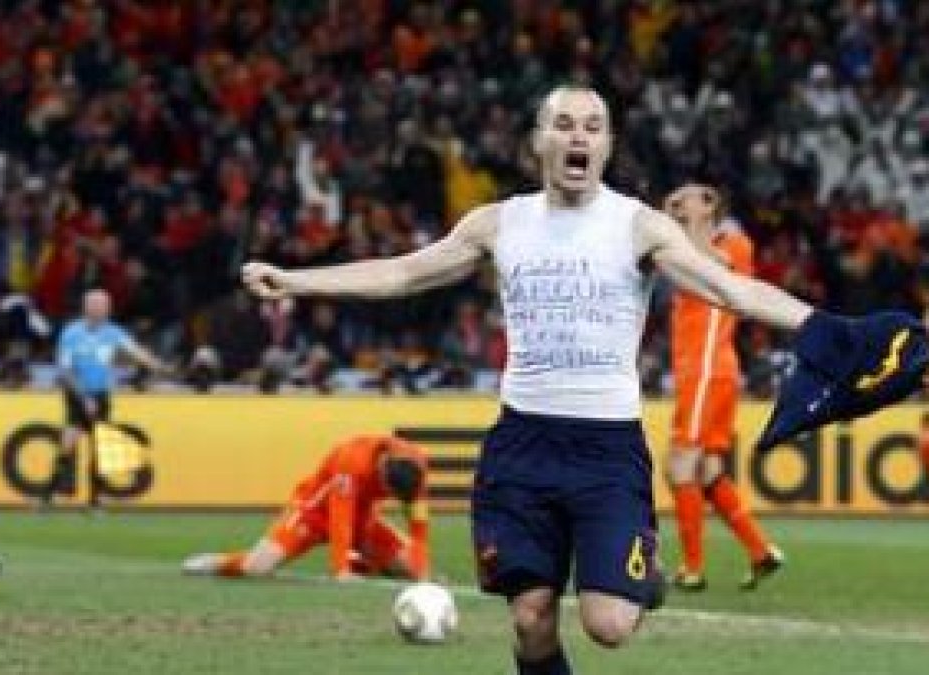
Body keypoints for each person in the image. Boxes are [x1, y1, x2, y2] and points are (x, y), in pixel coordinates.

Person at [241, 85, 817, 675]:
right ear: (539, 141)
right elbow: (403, 273)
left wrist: (822, 325)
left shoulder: (637, 226)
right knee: (530, 617)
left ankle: (642, 578)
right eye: (564, 124)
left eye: (593, 127)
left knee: (609, 625)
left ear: (608, 144)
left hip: (606, 448)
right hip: (524, 444)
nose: (578, 136)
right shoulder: (498, 223)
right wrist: (298, 281)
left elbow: (733, 289)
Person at [663, 184, 783, 592]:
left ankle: (692, 569)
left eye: (687, 198)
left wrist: (687, 224)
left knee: (680, 464)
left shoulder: (734, 243)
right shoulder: (680, 246)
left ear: (711, 205)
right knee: (708, 470)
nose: (677, 203)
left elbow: (711, 266)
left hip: (706, 369)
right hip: (704, 372)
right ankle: (760, 551)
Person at [181, 435, 430, 581]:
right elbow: (339, 517)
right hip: (313, 512)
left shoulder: (416, 468)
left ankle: (364, 564)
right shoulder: (353, 458)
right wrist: (340, 570)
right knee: (257, 568)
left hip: (362, 518)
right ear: (382, 468)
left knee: (410, 570)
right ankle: (217, 563)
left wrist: (422, 571)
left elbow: (419, 526)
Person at [44, 288, 170, 508]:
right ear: (86, 307)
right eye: (97, 305)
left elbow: (136, 352)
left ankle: (96, 499)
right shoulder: (71, 333)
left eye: (104, 305)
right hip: (77, 394)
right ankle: (50, 495)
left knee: (100, 447)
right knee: (68, 444)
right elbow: (65, 370)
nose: (101, 309)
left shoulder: (113, 333)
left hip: (101, 395)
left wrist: (159, 366)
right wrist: (83, 397)